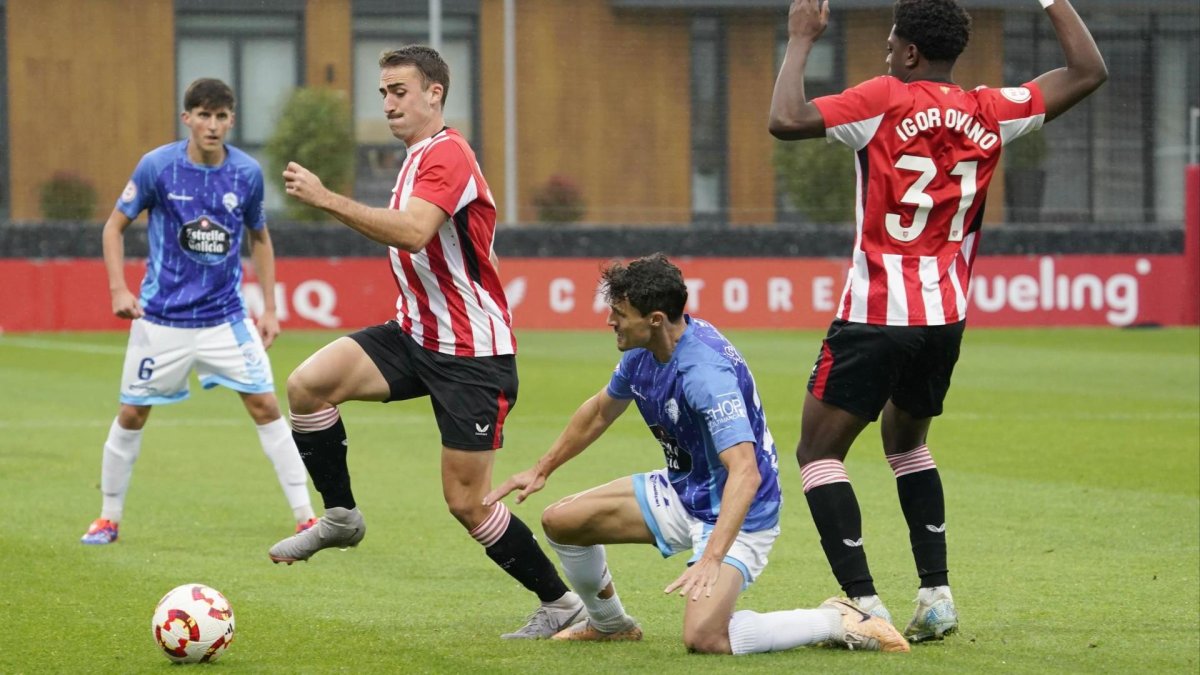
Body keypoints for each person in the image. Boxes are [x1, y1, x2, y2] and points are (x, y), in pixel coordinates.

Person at [768, 0, 1106, 641]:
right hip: (945, 315)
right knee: (907, 445)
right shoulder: (990, 109)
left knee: (817, 452)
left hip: (875, 313)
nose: (886, 54)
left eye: (891, 44)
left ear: (911, 52)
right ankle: (936, 596)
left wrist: (801, 37)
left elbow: (785, 119)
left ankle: (865, 605)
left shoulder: (883, 98)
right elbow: (1088, 71)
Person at [265, 45, 584, 639]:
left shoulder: (447, 154)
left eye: (399, 91)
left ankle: (563, 604)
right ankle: (341, 517)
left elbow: (414, 233)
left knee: (467, 503)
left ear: (435, 94)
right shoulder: (416, 157)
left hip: (470, 356)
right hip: (414, 332)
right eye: (383, 92)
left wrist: (326, 198)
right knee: (308, 385)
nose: (387, 103)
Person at [485, 254, 910, 654]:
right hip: (684, 490)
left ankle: (837, 620)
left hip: (738, 511)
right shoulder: (644, 352)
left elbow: (745, 473)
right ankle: (610, 623)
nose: (610, 321)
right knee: (561, 522)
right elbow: (599, 411)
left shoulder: (705, 374)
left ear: (654, 319)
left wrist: (711, 557)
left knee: (705, 637)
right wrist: (542, 468)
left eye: (619, 313)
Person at [81, 78, 316, 546]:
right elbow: (113, 228)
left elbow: (260, 238)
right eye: (203, 115)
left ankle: (307, 517)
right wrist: (118, 289)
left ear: (232, 121)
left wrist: (270, 309)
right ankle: (108, 518)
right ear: (186, 118)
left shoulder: (246, 173)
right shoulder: (157, 166)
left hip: (225, 320)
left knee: (266, 405)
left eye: (221, 116)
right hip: (160, 320)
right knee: (132, 413)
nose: (212, 125)